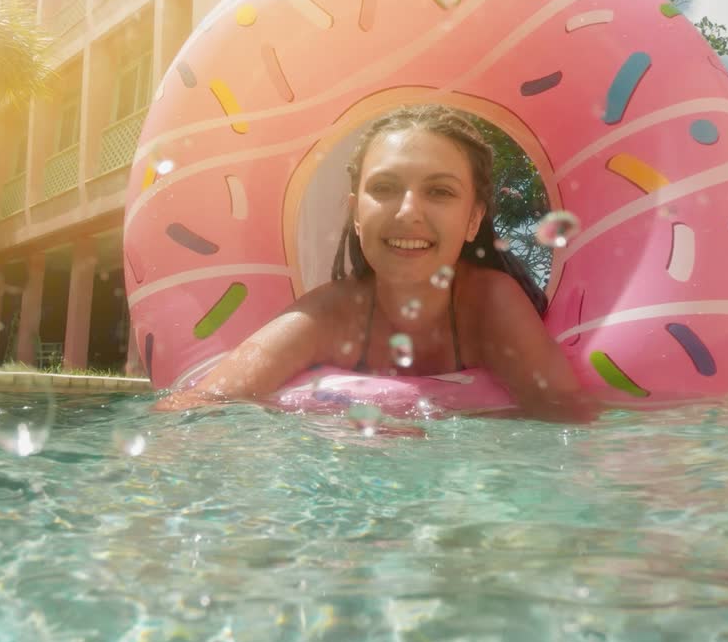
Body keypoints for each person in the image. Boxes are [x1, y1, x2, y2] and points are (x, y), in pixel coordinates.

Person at [156, 104, 598, 422]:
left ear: (473, 219)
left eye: (440, 192)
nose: (408, 211)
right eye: (385, 188)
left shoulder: (490, 305)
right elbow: (200, 404)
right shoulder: (330, 315)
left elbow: (566, 421)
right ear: (355, 211)